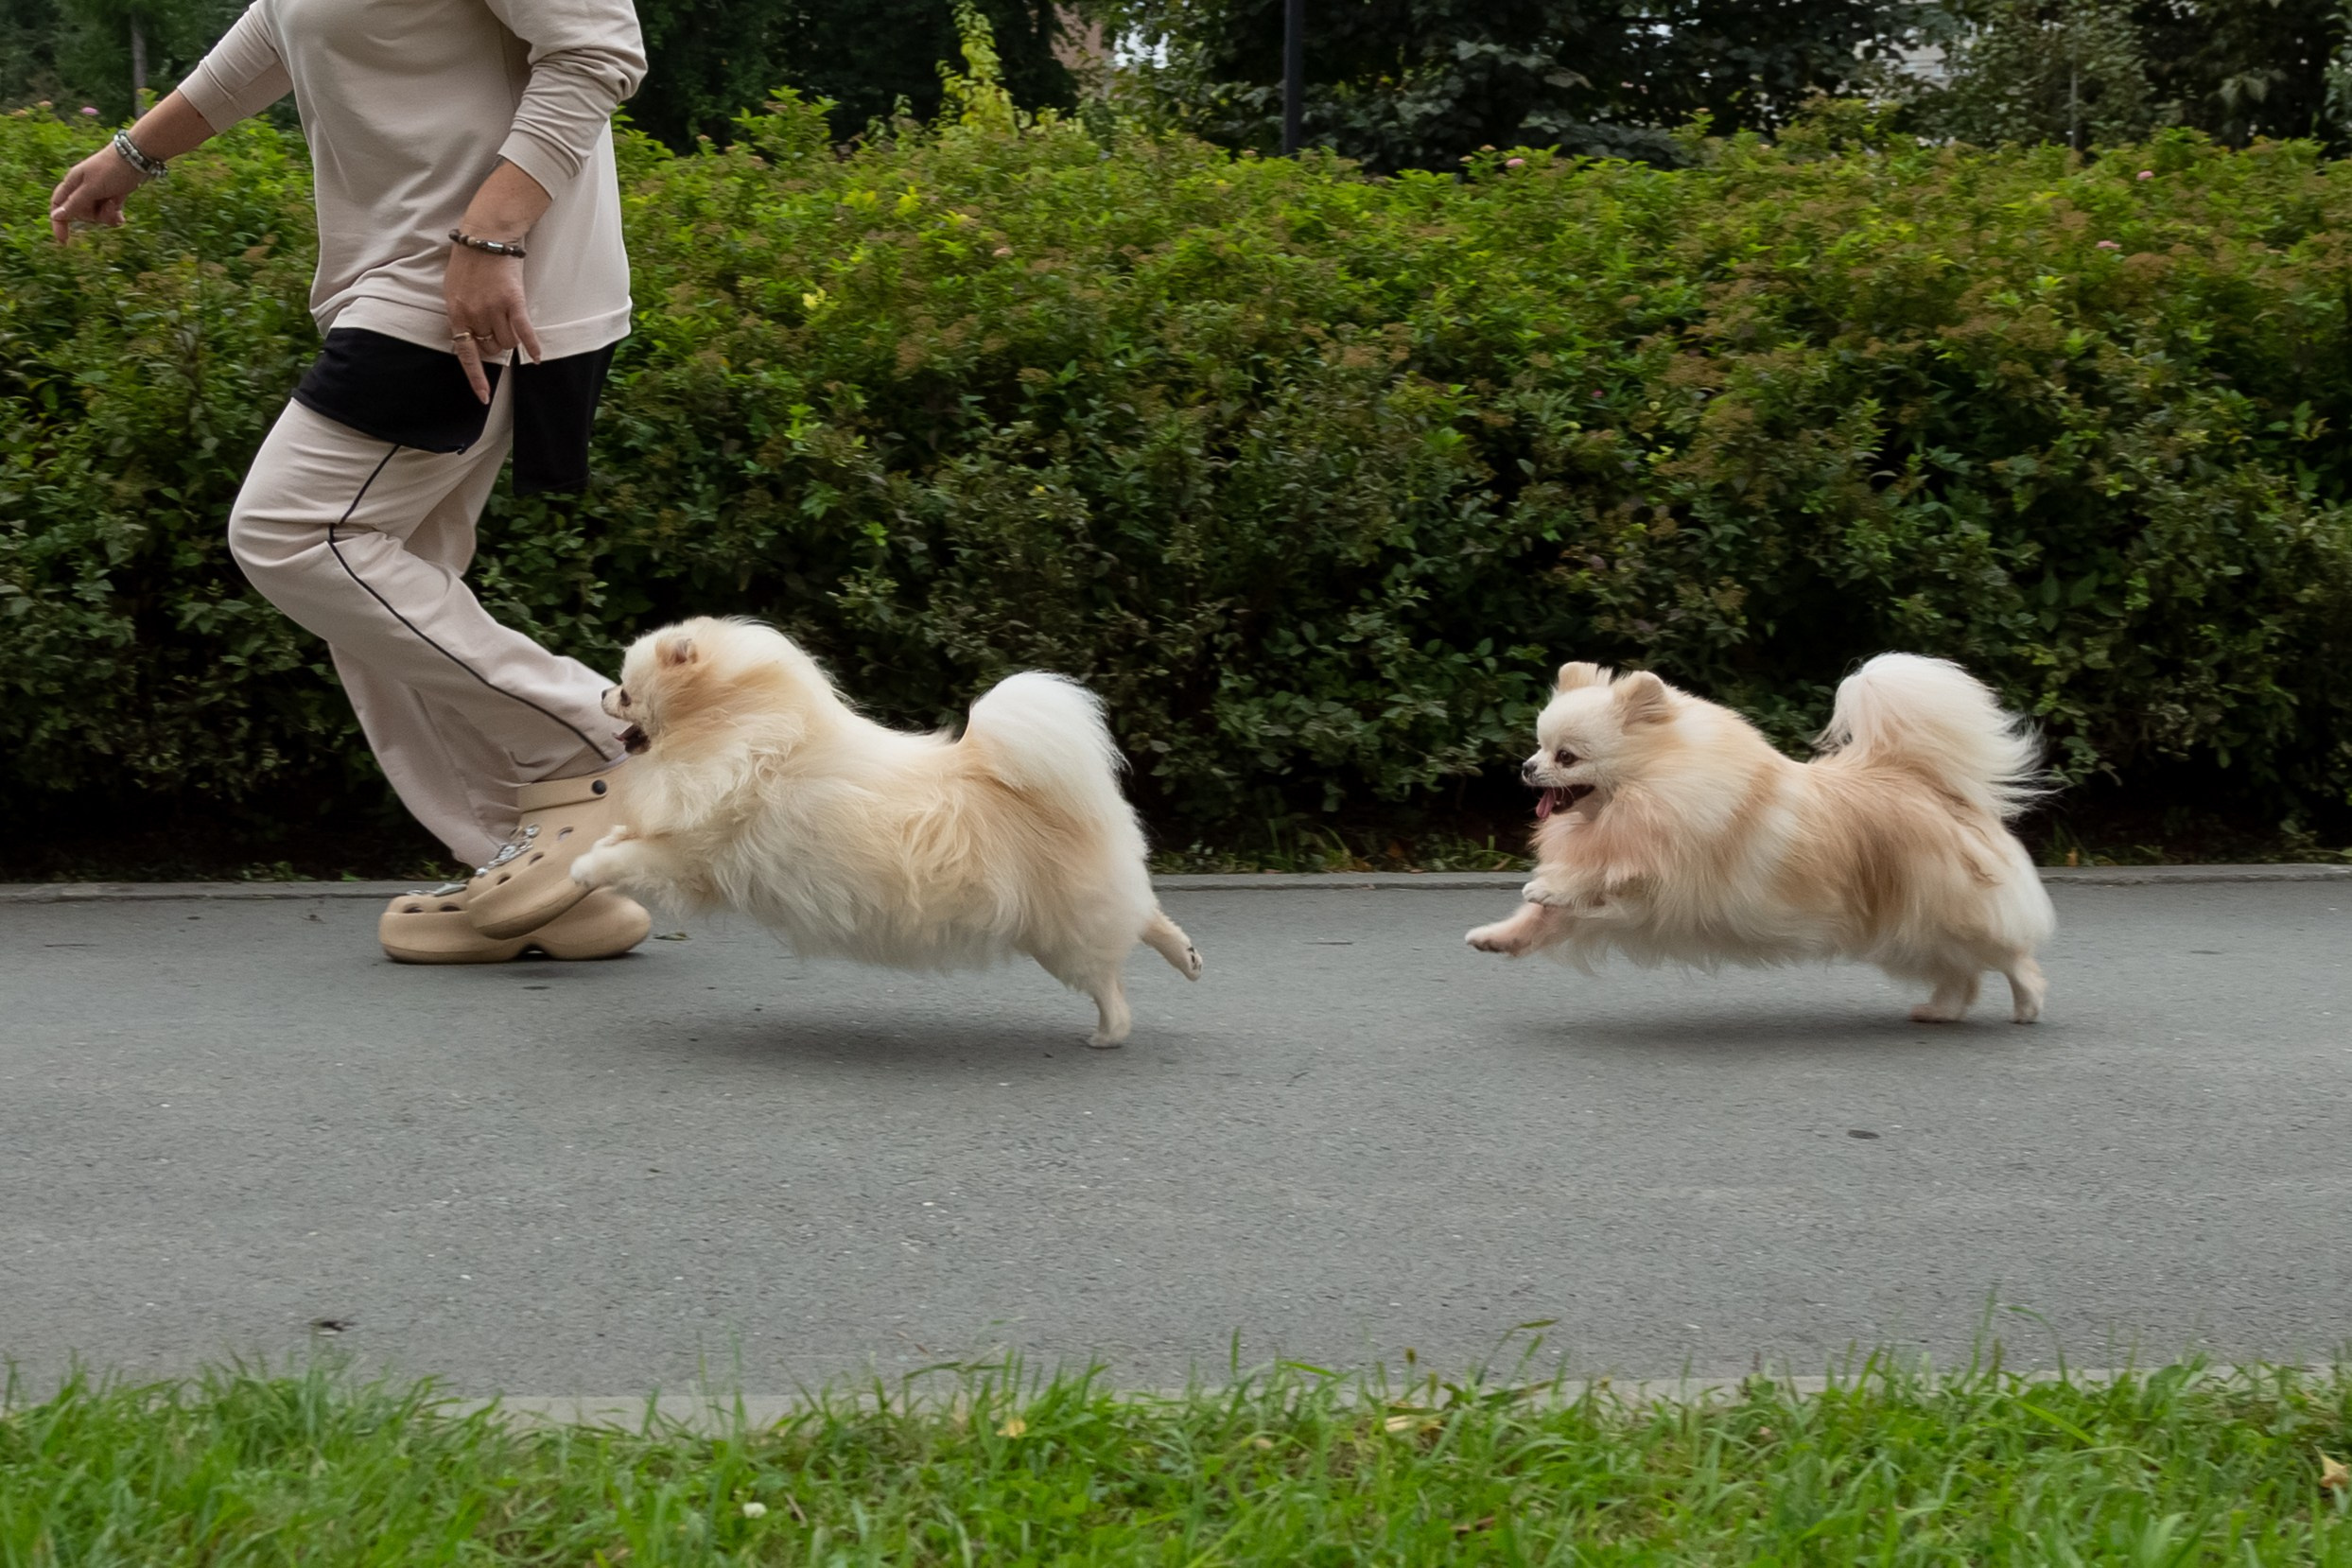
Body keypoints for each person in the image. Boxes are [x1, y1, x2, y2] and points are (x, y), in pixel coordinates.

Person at [48, 0, 653, 964]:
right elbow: (280, 28)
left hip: (474, 278)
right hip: (407, 275)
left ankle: (590, 743)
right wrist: (135, 151)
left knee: (295, 530)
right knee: (386, 585)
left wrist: (490, 237)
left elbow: (597, 47)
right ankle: (536, 867)